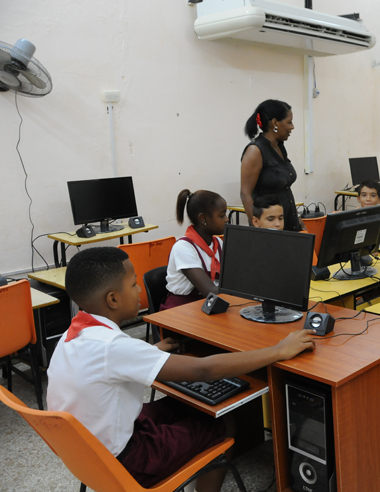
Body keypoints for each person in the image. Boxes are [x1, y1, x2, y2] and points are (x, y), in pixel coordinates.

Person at [46, 247, 315, 491]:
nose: (139, 289)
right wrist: (279, 350)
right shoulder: (112, 347)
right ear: (113, 299)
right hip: (128, 462)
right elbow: (203, 371)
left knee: (190, 407)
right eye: (133, 284)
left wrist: (150, 352)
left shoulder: (76, 333)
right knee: (223, 422)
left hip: (88, 454)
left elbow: (111, 361)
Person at [240, 99, 303, 232]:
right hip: (269, 228)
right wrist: (258, 229)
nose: (292, 127)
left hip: (287, 222)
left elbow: (284, 190)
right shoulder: (255, 150)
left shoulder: (279, 147)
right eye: (289, 122)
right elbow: (246, 194)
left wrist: (297, 217)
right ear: (275, 123)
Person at [161, 189, 227, 310]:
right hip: (181, 309)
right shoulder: (183, 248)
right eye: (221, 215)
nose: (226, 219)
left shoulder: (218, 243)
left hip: (209, 304)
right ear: (203, 219)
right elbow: (210, 291)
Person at [357, 179, 380, 248]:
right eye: (364, 195)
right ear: (358, 198)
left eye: (373, 195)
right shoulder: (355, 221)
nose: (368, 199)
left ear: (379, 200)